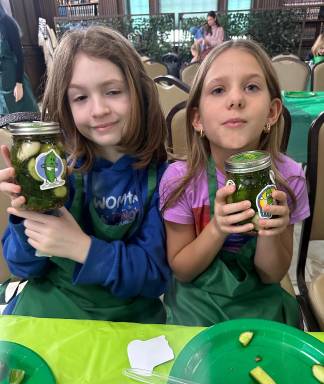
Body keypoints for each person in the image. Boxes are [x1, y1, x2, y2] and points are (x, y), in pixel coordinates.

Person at [0, 26, 171, 322]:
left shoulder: (161, 177)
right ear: (65, 106)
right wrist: (26, 213)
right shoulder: (56, 171)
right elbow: (23, 267)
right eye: (80, 98)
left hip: (127, 316)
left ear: (139, 93)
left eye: (113, 92)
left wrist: (83, 248)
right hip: (52, 309)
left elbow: (154, 277)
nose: (99, 109)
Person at [159, 39, 310, 327]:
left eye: (251, 87)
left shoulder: (288, 178)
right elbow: (182, 269)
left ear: (272, 112)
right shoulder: (180, 180)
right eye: (218, 90)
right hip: (196, 302)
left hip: (260, 302)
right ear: (197, 119)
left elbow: (270, 274)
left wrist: (270, 230)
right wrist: (217, 228)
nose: (236, 99)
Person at [0, 2, 38, 114]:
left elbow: (19, 55)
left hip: (13, 77)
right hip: (1, 82)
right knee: (6, 118)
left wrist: (19, 83)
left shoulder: (8, 23)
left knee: (24, 114)